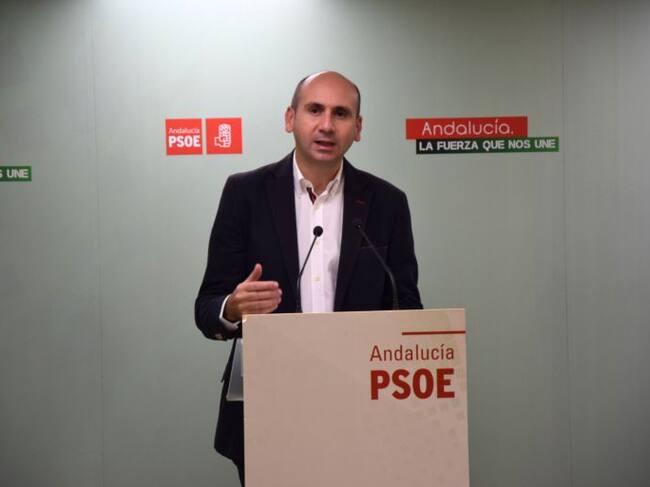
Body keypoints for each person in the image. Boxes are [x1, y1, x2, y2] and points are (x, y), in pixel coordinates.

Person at [195, 71, 422, 485]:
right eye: (314, 110)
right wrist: (233, 306)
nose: (326, 125)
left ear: (358, 128)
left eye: (341, 113)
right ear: (290, 119)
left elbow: (407, 307)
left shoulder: (387, 203)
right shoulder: (245, 194)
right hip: (268, 403)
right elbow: (207, 307)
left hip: (360, 404)